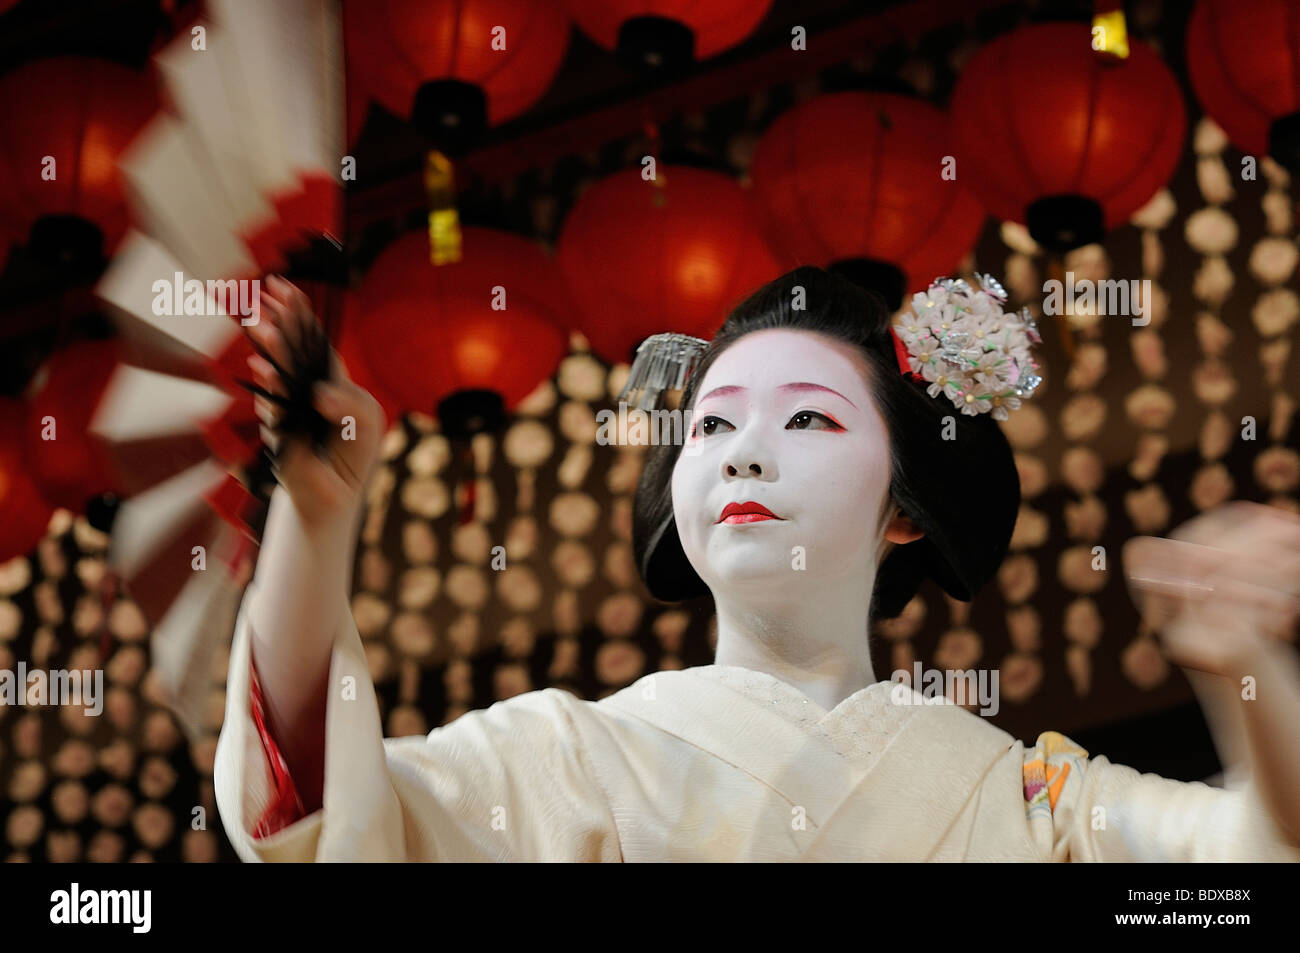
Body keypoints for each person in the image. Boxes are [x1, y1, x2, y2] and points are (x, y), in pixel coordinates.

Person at [214, 267, 1300, 861]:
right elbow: (322, 810)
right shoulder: (560, 755)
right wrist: (316, 522)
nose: (742, 448)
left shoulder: (1031, 800)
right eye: (712, 424)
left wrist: (1246, 667)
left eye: (813, 420)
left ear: (905, 509)